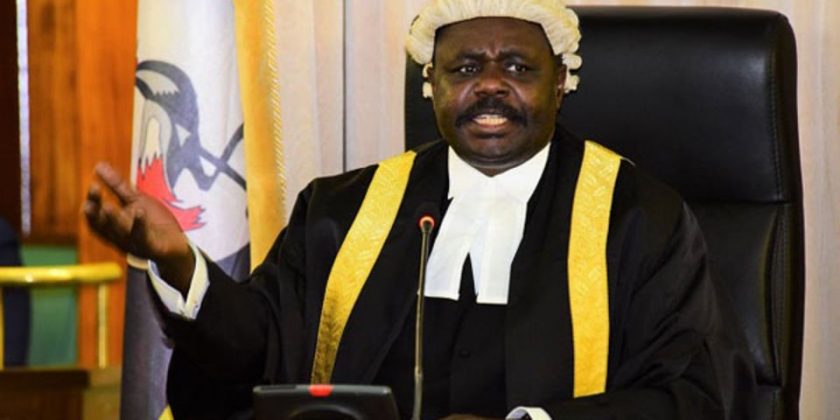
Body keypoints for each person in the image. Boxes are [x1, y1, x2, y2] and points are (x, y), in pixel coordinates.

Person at [84, 0, 756, 418]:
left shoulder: (639, 219)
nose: (490, 86)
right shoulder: (342, 212)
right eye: (464, 68)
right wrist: (181, 263)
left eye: (518, 68)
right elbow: (258, 353)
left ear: (562, 83)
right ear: (430, 84)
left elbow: (694, 394)